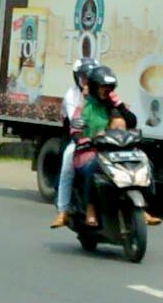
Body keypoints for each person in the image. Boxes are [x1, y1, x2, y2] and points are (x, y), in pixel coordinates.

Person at [69, 66, 161, 227]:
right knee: (94, 166)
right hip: (89, 152)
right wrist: (86, 139)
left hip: (115, 152)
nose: (106, 90)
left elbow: (132, 122)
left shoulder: (114, 107)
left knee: (144, 162)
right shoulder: (85, 107)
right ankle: (91, 208)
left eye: (109, 87)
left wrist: (119, 105)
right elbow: (75, 131)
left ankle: (142, 207)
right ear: (93, 87)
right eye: (103, 87)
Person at [50, 58, 98, 228]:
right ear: (77, 77)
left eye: (91, 76)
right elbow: (76, 123)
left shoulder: (102, 92)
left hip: (102, 139)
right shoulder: (72, 95)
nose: (87, 80)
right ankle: (63, 210)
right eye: (84, 76)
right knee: (67, 164)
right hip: (78, 138)